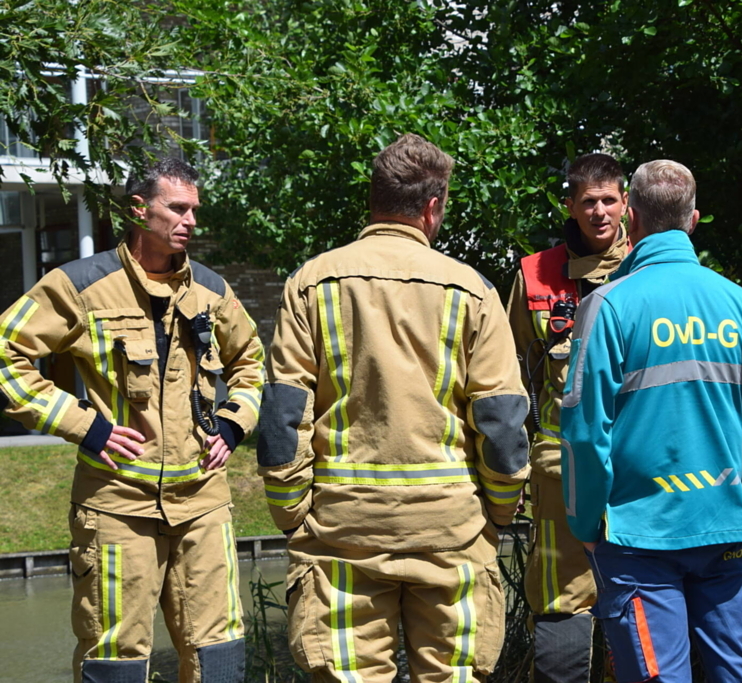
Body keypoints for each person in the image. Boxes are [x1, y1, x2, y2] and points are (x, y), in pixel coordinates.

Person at [257, 133, 529, 682]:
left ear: (373, 200)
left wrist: (292, 516)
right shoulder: (472, 290)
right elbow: (501, 424)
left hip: (342, 534)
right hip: (452, 534)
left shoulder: (311, 283)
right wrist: (498, 514)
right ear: (432, 207)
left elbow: (284, 419)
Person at [0, 157, 265, 682]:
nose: (191, 220)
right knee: (115, 661)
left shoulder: (212, 290)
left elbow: (251, 361)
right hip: (116, 505)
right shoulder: (80, 284)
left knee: (220, 657)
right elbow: (6, 354)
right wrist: (86, 427)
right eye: (178, 208)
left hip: (204, 503)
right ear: (140, 209)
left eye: (195, 209)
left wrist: (234, 423)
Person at [560, 160, 742, 683]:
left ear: (631, 218)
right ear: (694, 220)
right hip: (727, 529)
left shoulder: (607, 306)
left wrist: (585, 524)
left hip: (638, 537)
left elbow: (586, 434)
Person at [505, 152, 630, 682]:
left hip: (639, 470)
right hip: (561, 472)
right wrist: (511, 467)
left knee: (640, 601)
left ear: (626, 203)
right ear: (570, 206)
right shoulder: (535, 276)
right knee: (561, 602)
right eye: (588, 201)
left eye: (609, 200)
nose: (600, 212)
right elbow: (510, 380)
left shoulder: (650, 267)